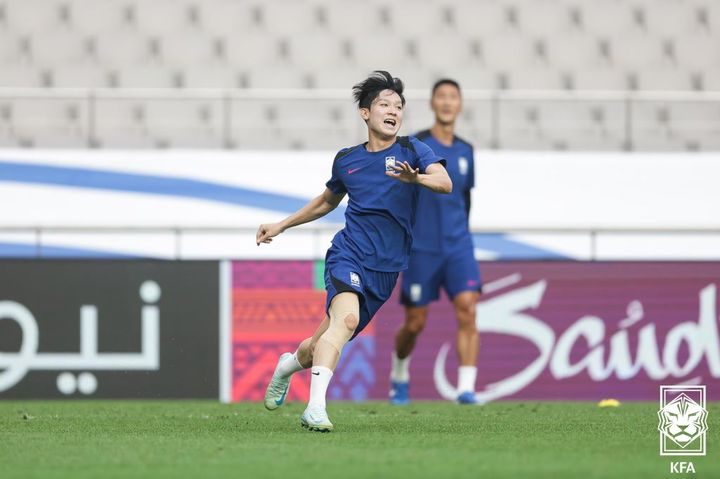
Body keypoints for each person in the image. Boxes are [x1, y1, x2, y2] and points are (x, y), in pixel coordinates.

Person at [257, 71, 452, 432]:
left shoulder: (413, 151)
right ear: (366, 113)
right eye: (384, 104)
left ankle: (286, 365)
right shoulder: (347, 160)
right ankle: (315, 409)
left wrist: (416, 178)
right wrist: (282, 224)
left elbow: (444, 181)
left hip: (386, 268)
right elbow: (326, 202)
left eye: (398, 106)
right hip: (348, 254)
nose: (393, 110)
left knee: (320, 345)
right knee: (345, 320)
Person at [389, 79, 482, 405]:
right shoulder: (417, 146)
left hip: (458, 245)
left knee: (468, 310)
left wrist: (461, 236)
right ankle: (399, 374)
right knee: (415, 323)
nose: (446, 103)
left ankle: (466, 389)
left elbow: (464, 198)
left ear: (460, 104)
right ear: (432, 103)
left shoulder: (467, 151)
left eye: (452, 97)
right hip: (422, 248)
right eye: (441, 97)